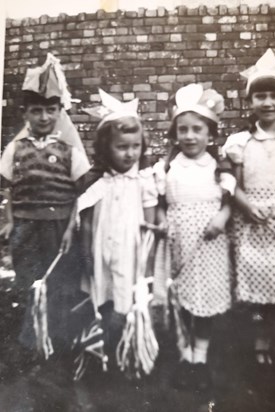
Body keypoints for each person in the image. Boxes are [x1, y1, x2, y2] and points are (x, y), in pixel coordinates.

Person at [223, 48, 275, 390]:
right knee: (261, 289)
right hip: (253, 221)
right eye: (260, 95)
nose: (268, 102)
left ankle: (270, 342)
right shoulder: (240, 142)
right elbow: (230, 181)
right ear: (250, 101)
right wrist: (245, 206)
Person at [0, 54, 91, 371]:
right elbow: (7, 186)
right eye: (36, 110)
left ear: (59, 112)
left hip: (58, 229)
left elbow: (83, 191)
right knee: (30, 283)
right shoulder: (17, 148)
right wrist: (10, 219)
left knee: (58, 283)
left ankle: (57, 343)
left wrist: (69, 228)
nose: (43, 117)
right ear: (25, 112)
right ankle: (30, 342)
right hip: (26, 228)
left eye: (50, 110)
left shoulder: (68, 151)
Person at [154, 83, 234, 391]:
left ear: (210, 134)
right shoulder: (167, 167)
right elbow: (160, 204)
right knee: (182, 301)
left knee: (205, 301)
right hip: (178, 240)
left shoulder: (219, 166)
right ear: (175, 135)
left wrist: (221, 218)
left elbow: (228, 202)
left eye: (196, 129)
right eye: (183, 130)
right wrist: (163, 223)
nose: (189, 136)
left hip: (209, 241)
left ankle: (200, 356)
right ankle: (184, 354)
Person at [77, 89, 158, 365]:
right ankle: (104, 351)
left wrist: (148, 265)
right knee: (103, 299)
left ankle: (130, 350)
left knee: (127, 300)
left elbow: (149, 226)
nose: (130, 153)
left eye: (135, 146)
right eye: (122, 147)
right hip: (101, 251)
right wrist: (87, 256)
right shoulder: (98, 182)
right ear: (104, 148)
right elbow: (86, 223)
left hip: (131, 253)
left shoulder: (144, 181)